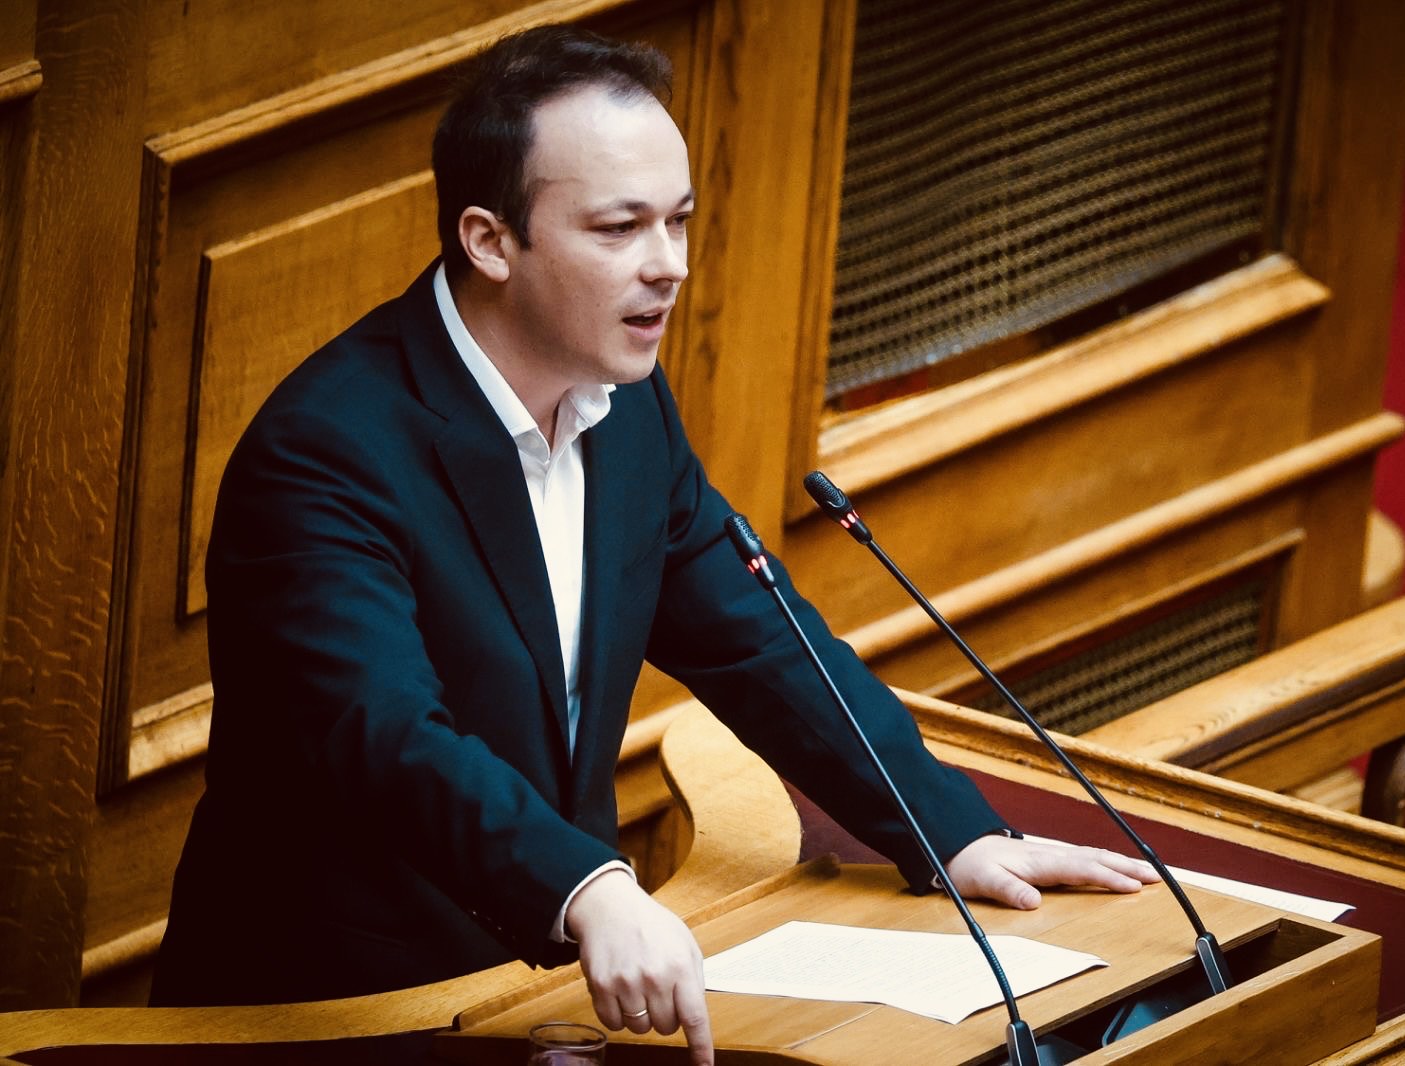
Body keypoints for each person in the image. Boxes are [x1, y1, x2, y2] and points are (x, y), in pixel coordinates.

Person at [150, 25, 1156, 1063]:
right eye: (620, 227)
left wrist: (947, 829)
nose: (668, 266)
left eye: (677, 220)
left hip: (550, 1001)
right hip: (336, 1009)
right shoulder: (325, 451)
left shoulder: (622, 405)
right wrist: (588, 889)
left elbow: (755, 638)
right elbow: (385, 736)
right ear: (489, 241)